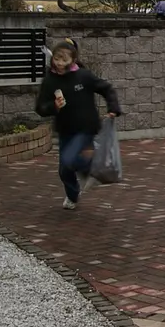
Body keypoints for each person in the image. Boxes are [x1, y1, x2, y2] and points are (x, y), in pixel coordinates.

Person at [35, 38, 123, 210]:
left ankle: (92, 167)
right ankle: (73, 194)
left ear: (73, 60)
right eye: (57, 59)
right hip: (65, 129)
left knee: (70, 159)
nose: (60, 63)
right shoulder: (50, 81)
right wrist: (54, 106)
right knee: (64, 170)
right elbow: (40, 107)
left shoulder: (83, 76)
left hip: (86, 127)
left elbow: (106, 88)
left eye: (64, 59)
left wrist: (113, 108)